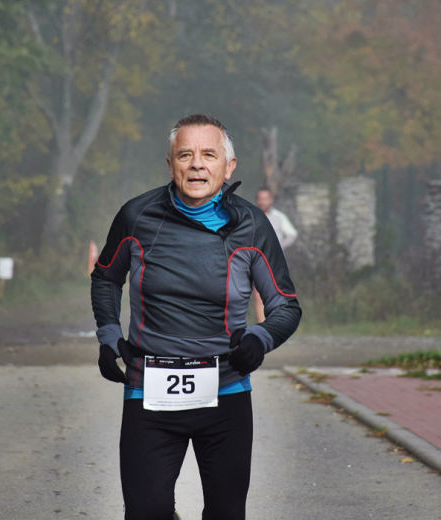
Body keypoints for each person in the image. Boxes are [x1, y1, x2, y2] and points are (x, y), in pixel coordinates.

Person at [91, 114, 301, 520]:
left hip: (226, 393)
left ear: (229, 166)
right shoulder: (136, 216)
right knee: (145, 512)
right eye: (185, 154)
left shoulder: (252, 225)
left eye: (209, 154)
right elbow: (105, 278)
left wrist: (260, 339)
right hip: (149, 390)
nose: (197, 164)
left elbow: (285, 306)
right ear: (170, 165)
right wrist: (108, 335)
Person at [253, 187, 298, 323]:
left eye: (265, 199)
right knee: (258, 296)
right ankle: (262, 327)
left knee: (275, 294)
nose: (262, 202)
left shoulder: (279, 217)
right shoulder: (251, 214)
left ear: (271, 200)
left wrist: (279, 247)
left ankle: (275, 324)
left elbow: (292, 234)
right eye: (260, 199)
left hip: (274, 262)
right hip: (255, 261)